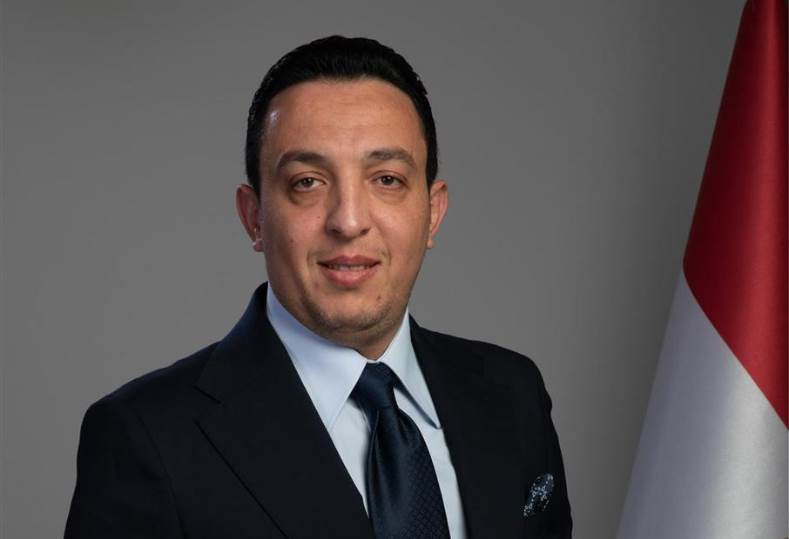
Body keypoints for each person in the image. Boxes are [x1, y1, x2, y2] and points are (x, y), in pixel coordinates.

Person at [64, 36, 572, 539]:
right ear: (254, 217)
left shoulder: (513, 394)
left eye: (387, 179)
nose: (348, 221)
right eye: (307, 181)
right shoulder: (147, 437)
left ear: (432, 212)